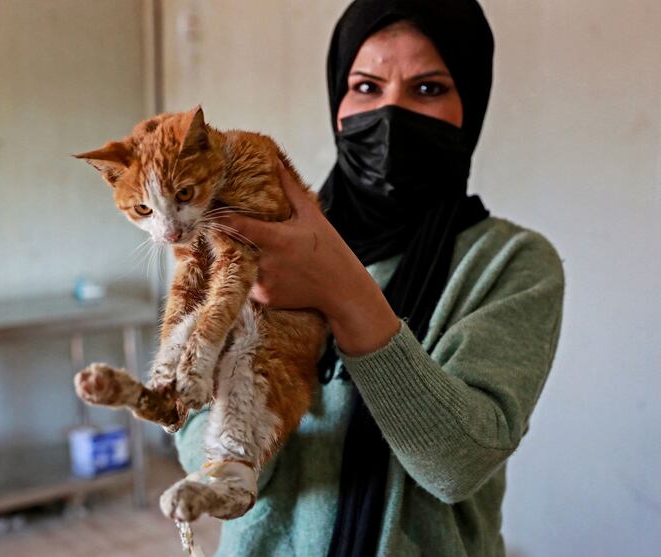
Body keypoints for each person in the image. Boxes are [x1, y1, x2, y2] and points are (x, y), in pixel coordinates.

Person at [176, 0, 565, 555]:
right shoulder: (263, 243)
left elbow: (457, 466)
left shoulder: (512, 263)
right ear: (337, 98)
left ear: (471, 104)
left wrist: (341, 290)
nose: (389, 115)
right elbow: (200, 452)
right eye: (365, 87)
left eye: (428, 88)